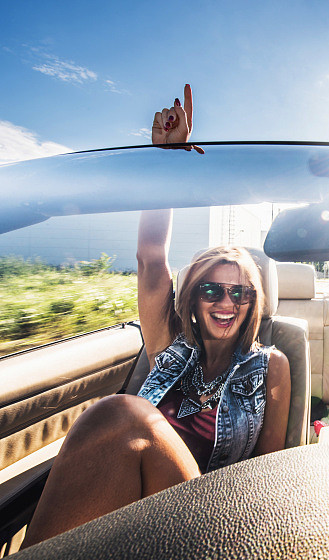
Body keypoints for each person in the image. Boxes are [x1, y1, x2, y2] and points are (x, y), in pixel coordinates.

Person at [22, 85, 291, 547]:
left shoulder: (272, 366)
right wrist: (166, 162)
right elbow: (151, 257)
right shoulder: (168, 344)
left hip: (212, 515)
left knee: (123, 413)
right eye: (212, 289)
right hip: (140, 507)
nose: (226, 303)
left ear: (254, 302)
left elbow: (270, 472)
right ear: (192, 296)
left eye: (240, 293)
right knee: (113, 423)